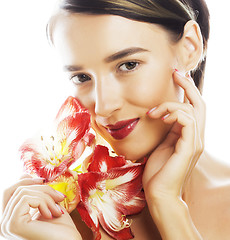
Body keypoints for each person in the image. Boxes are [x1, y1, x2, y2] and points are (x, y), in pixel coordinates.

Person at [1, 0, 230, 239]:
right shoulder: (57, 214)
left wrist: (167, 204)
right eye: (81, 77)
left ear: (189, 48)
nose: (103, 106)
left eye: (128, 65)